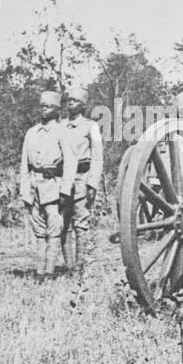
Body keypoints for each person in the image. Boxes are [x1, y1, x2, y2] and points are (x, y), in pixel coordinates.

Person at [21, 90, 76, 278]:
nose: (43, 109)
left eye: (47, 106)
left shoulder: (62, 132)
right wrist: (25, 191)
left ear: (57, 109)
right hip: (34, 186)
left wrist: (65, 190)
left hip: (53, 186)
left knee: (54, 230)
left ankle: (50, 270)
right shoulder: (31, 132)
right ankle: (39, 271)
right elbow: (24, 165)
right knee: (38, 230)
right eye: (41, 106)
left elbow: (70, 162)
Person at [61, 86, 104, 272]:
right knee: (63, 221)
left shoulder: (91, 126)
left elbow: (97, 156)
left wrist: (92, 183)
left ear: (83, 105)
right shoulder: (60, 125)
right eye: (69, 100)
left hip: (82, 176)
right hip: (62, 179)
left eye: (76, 101)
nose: (71, 103)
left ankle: (79, 265)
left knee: (80, 222)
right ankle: (69, 264)